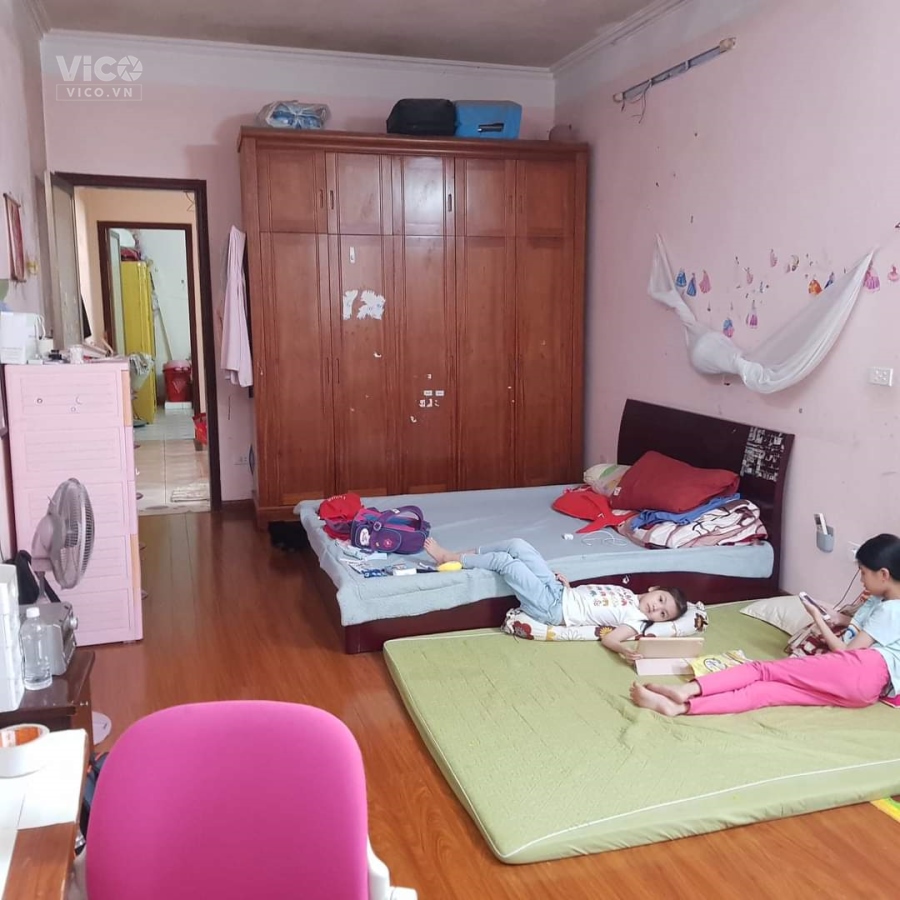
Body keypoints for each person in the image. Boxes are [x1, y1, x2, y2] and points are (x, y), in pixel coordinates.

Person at [630, 532, 900, 716]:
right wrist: (840, 618)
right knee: (767, 693)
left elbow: (847, 653)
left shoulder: (891, 609)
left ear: (884, 574)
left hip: (859, 669)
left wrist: (818, 619)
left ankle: (685, 691)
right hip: (865, 692)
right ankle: (680, 708)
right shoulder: (885, 602)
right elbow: (871, 631)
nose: (862, 580)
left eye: (864, 573)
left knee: (760, 670)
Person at [423, 537, 688, 658]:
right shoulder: (627, 593)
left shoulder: (636, 620)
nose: (656, 609)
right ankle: (470, 553)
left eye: (663, 614)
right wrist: (568, 586)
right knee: (518, 545)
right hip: (560, 590)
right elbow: (591, 598)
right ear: (654, 589)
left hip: (552, 609)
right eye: (661, 600)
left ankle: (451, 558)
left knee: (507, 563)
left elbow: (610, 638)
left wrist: (625, 650)